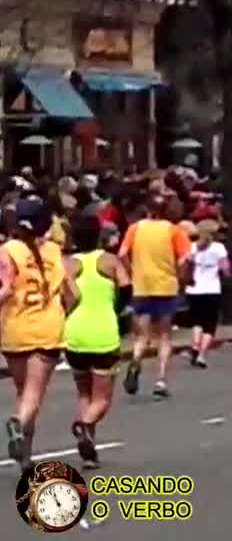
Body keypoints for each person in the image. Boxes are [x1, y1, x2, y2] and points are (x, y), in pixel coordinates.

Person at [2, 199, 78, 472]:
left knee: (24, 392)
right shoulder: (55, 252)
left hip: (13, 328)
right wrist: (63, 313)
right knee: (33, 395)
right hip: (46, 328)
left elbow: (4, 289)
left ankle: (26, 456)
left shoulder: (7, 251)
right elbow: (74, 294)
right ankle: (17, 425)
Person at [64, 214, 129, 469]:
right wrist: (117, 309)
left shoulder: (67, 264)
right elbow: (126, 289)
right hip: (103, 333)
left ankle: (89, 451)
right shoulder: (110, 261)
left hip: (75, 334)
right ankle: (84, 425)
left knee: (84, 392)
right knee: (101, 399)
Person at [119, 194, 192, 398]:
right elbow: (185, 258)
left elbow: (122, 253)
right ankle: (160, 380)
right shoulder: (173, 230)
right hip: (166, 286)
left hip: (142, 286)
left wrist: (132, 270)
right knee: (165, 336)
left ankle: (135, 360)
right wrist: (181, 277)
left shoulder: (135, 228)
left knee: (141, 335)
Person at [185, 219, 228, 368]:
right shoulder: (219, 248)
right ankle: (202, 356)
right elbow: (225, 269)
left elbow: (186, 264)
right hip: (212, 289)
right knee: (210, 325)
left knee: (197, 321)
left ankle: (195, 347)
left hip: (194, 289)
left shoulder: (192, 247)